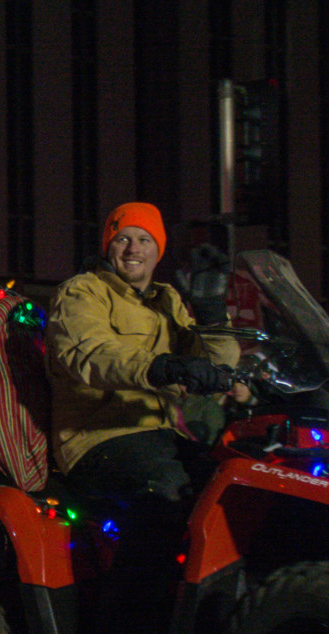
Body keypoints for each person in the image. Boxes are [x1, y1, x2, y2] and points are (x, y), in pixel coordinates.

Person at [43, 202, 238, 503]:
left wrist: (211, 309)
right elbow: (91, 354)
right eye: (123, 239)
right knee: (167, 492)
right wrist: (163, 367)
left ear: (157, 251)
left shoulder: (167, 299)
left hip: (161, 432)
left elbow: (218, 363)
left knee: (228, 484)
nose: (133, 249)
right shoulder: (81, 291)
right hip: (97, 437)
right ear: (109, 246)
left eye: (144, 240)